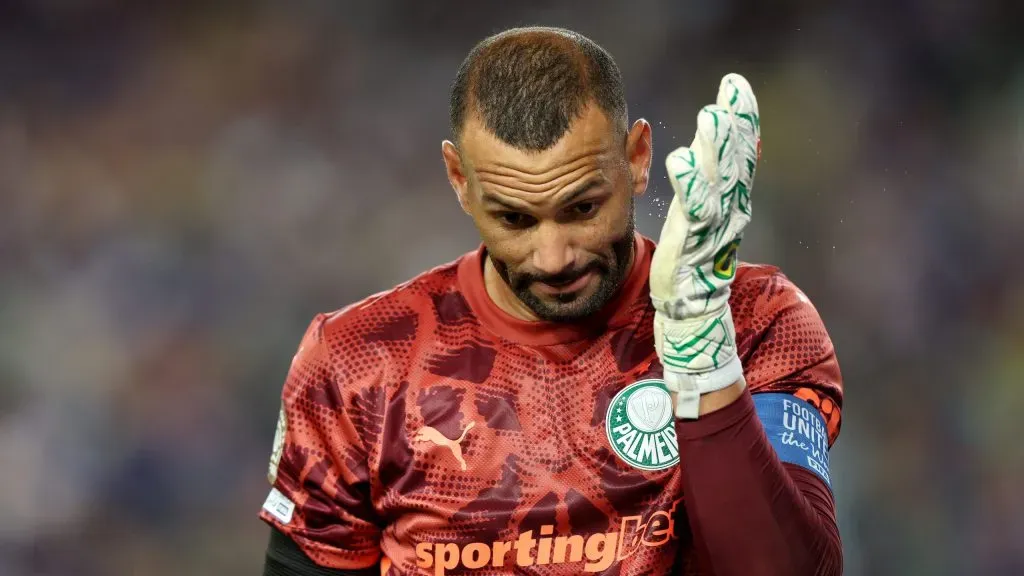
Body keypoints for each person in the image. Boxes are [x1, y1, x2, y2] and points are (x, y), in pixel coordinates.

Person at [260, 26, 844, 576]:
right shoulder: (355, 361)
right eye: (514, 218)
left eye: (583, 208)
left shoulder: (755, 317)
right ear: (459, 180)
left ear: (637, 157)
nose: (554, 257)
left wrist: (702, 354)